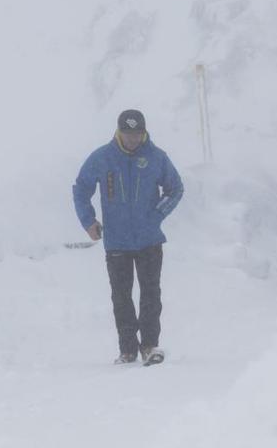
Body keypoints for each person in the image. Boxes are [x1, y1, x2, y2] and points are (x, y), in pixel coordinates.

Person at [73, 109, 184, 366]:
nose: (133, 139)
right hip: (117, 243)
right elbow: (81, 189)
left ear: (143, 132)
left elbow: (175, 188)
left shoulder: (157, 157)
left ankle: (149, 346)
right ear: (118, 132)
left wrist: (157, 214)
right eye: (128, 133)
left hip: (150, 241)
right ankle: (127, 350)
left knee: (150, 295)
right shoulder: (102, 158)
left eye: (137, 134)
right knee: (121, 296)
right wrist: (88, 221)